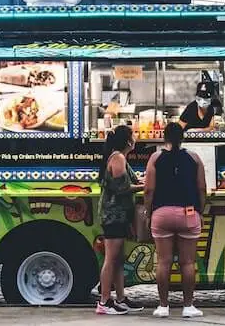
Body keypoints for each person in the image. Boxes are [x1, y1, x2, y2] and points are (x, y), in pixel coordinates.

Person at [143, 122, 206, 318]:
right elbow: (202, 188)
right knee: (187, 263)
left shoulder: (155, 158)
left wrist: (148, 211)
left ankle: (163, 306)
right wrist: (200, 211)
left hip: (162, 214)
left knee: (163, 261)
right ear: (183, 137)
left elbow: (148, 190)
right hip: (188, 213)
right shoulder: (194, 158)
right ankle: (188, 306)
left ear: (164, 137)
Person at [95, 125, 145, 315]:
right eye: (134, 135)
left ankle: (121, 298)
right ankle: (104, 301)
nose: (137, 138)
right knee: (111, 258)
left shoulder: (119, 157)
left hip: (118, 215)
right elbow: (122, 188)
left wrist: (140, 183)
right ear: (128, 140)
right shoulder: (118, 158)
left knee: (117, 259)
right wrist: (145, 186)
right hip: (113, 214)